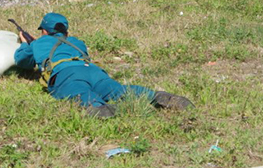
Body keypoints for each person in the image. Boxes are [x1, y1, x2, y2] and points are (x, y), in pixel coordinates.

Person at [14, 13, 193, 118]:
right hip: (93, 70)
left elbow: (22, 60)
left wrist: (25, 43)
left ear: (44, 31)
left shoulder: (39, 43)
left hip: (66, 74)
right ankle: (158, 96)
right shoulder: (77, 42)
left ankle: (100, 109)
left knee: (81, 93)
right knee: (119, 90)